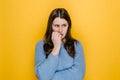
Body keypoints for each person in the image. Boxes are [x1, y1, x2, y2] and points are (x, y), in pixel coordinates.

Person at [34, 8, 85, 80]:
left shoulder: (76, 45)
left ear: (68, 26)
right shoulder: (41, 45)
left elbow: (78, 74)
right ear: (50, 26)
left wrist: (50, 77)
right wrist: (56, 47)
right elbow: (42, 76)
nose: (60, 30)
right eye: (56, 26)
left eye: (64, 25)